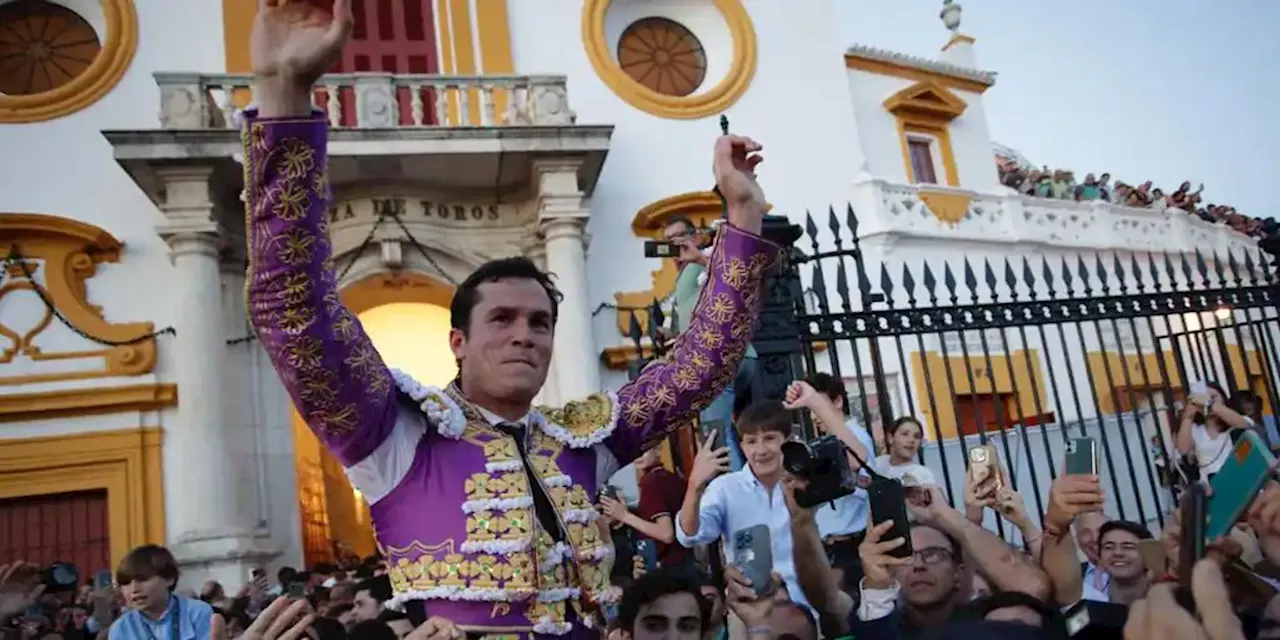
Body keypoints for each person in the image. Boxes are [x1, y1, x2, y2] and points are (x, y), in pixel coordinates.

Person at [242, 0, 778, 635]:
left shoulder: (585, 439)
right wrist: (283, 93)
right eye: (502, 319)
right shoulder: (393, 434)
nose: (524, 332)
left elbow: (699, 368)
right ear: (457, 341)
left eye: (540, 322)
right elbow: (294, 305)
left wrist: (742, 219)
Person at [661, 216, 757, 471]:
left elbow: (733, 272)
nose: (674, 243)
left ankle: (734, 495)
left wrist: (700, 258)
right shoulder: (685, 275)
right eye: (668, 240)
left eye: (679, 235)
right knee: (742, 431)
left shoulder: (705, 258)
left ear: (694, 236)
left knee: (716, 435)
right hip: (733, 356)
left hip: (717, 357)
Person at [108, 545, 220, 640]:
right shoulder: (121, 628)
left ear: (169, 578)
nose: (134, 589)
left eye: (143, 579)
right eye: (126, 583)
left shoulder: (197, 613)